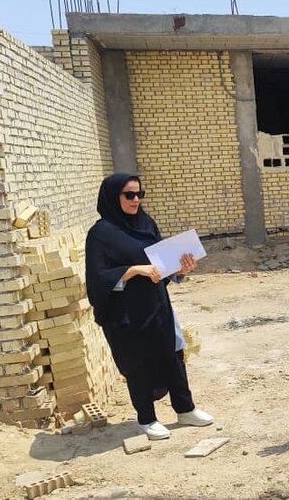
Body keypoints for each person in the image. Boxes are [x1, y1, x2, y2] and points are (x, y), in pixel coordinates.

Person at [86, 173, 213, 440]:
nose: (136, 200)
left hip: (157, 304)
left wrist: (181, 269)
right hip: (126, 312)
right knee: (138, 364)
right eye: (129, 195)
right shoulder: (101, 234)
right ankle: (147, 419)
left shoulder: (146, 224)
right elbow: (97, 277)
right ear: (113, 197)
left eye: (139, 194)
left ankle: (185, 409)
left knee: (173, 355)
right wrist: (133, 270)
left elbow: (162, 265)